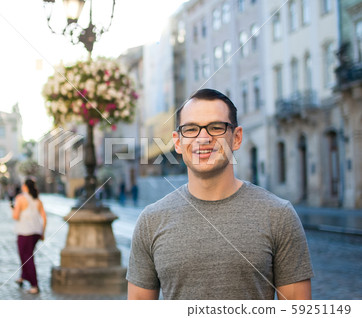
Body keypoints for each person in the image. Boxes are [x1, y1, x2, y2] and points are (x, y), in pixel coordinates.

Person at [127, 89, 314, 300]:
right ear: (178, 142)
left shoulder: (279, 215)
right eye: (191, 129)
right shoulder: (151, 221)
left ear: (236, 137)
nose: (203, 138)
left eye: (216, 127)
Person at [11, 179, 47, 294]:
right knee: (27, 254)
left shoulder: (20, 198)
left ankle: (34, 284)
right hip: (36, 232)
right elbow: (44, 218)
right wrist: (42, 233)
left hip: (25, 232)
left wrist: (13, 209)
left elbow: (15, 216)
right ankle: (22, 277)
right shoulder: (38, 200)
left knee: (26, 257)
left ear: (25, 187)